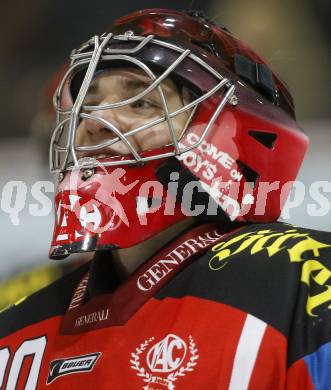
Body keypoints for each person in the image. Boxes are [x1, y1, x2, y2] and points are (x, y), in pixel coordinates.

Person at [0, 8, 330, 389]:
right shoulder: (16, 328)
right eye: (88, 105)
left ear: (224, 133)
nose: (93, 123)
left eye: (141, 103)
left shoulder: (304, 279)